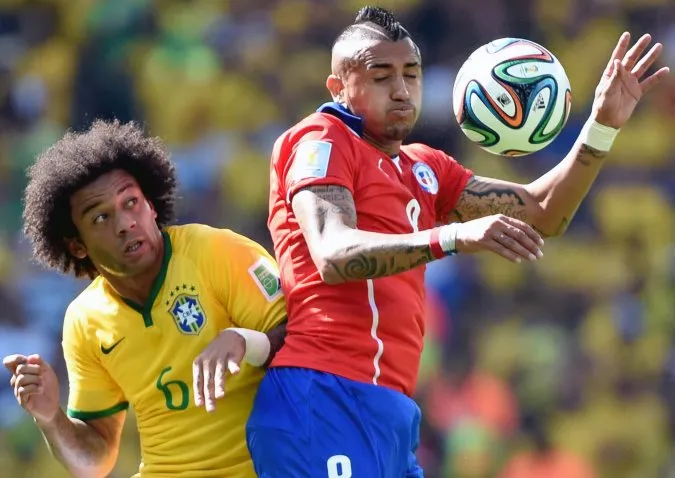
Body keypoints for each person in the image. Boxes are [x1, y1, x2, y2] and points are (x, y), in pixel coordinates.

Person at [246, 5, 669, 477]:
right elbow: (332, 252)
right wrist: (453, 235)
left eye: (411, 74)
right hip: (323, 397)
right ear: (337, 87)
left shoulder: (424, 168)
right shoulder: (320, 140)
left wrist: (602, 127)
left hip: (387, 410)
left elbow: (544, 211)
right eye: (381, 76)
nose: (401, 89)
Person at [3, 120, 288, 478]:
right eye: (101, 217)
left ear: (151, 206)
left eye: (131, 202)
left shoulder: (216, 251)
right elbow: (95, 462)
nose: (125, 223)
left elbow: (310, 343)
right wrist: (50, 418)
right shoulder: (85, 319)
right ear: (77, 246)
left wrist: (246, 341)